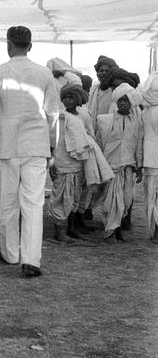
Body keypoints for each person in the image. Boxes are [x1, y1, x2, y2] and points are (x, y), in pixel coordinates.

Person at [0, 26, 59, 278]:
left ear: (8, 44)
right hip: (36, 146)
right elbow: (53, 114)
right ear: (30, 45)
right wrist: (52, 146)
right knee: (34, 202)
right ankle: (32, 260)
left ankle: (9, 253)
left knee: (8, 201)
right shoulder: (44, 73)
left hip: (6, 146)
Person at [95, 83, 143, 243]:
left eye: (125, 100)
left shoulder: (136, 121)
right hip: (111, 167)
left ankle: (117, 228)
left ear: (131, 103)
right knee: (111, 202)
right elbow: (100, 144)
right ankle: (110, 232)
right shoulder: (106, 121)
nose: (122, 103)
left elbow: (138, 144)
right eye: (120, 100)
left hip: (128, 167)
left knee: (125, 200)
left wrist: (140, 167)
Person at [48, 84, 93, 243]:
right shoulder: (59, 118)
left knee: (73, 198)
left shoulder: (81, 117)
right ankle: (58, 233)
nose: (67, 100)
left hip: (76, 165)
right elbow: (52, 142)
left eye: (71, 97)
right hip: (62, 164)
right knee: (60, 198)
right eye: (65, 97)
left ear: (78, 99)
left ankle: (68, 230)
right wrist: (51, 163)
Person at [141, 73, 158, 242]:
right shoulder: (148, 110)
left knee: (151, 197)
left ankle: (154, 231)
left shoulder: (145, 110)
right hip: (151, 160)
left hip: (149, 161)